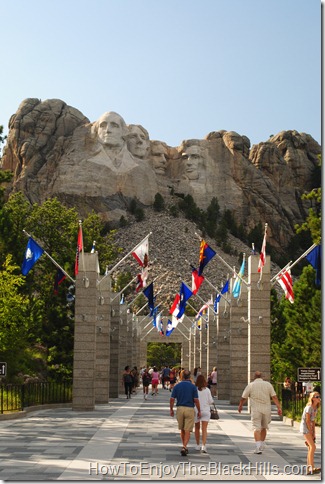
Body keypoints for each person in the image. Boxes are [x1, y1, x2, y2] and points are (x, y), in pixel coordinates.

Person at [238, 370, 282, 454]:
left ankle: (258, 447)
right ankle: (261, 443)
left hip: (256, 409)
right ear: (262, 377)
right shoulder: (268, 385)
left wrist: (240, 406)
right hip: (266, 409)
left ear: (254, 377)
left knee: (256, 428)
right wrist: (278, 407)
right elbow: (274, 397)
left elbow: (243, 397)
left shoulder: (251, 385)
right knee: (264, 427)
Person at [170, 369, 201, 456]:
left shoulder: (177, 386)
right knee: (188, 429)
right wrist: (199, 410)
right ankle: (184, 446)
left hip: (180, 408)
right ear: (190, 377)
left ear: (181, 376)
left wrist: (171, 409)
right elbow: (196, 400)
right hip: (190, 409)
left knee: (182, 429)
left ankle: (184, 446)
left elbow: (172, 399)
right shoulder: (193, 387)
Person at [300, 391, 321, 474]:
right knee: (313, 447)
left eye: (319, 396)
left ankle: (309, 468)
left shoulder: (315, 408)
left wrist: (314, 433)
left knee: (310, 448)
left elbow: (313, 421)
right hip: (305, 428)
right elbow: (308, 421)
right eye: (316, 397)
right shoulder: (309, 407)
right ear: (312, 398)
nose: (318, 398)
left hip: (310, 428)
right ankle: (311, 468)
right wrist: (311, 432)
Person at [194, 374, 214, 453]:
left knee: (197, 428)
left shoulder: (195, 389)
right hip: (206, 411)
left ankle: (197, 445)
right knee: (204, 429)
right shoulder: (207, 390)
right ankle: (203, 445)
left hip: (196, 411)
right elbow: (211, 401)